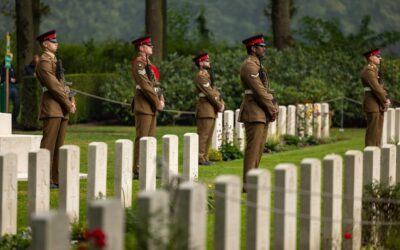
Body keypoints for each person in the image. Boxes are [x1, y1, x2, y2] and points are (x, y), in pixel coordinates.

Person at [35, 30, 76, 188]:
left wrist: (72, 101)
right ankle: (43, 178)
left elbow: (64, 84)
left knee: (58, 146)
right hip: (52, 108)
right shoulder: (44, 62)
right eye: (53, 41)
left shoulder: (55, 61)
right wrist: (68, 103)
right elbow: (55, 87)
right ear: (45, 45)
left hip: (61, 109)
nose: (56, 43)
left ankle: (55, 179)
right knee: (48, 146)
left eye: (56, 41)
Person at [239, 34, 278, 190]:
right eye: (261, 46)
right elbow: (259, 90)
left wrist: (272, 106)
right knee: (253, 150)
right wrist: (272, 108)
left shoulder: (258, 65)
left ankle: (252, 181)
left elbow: (265, 89)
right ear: (253, 49)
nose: (264, 49)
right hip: (254, 111)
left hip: (261, 111)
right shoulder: (249, 65)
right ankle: (248, 184)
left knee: (259, 149)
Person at [131, 35, 164, 179]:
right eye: (148, 45)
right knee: (142, 137)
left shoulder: (148, 64)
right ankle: (138, 169)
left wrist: (161, 98)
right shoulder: (139, 64)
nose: (152, 47)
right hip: (144, 105)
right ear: (141, 48)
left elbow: (156, 84)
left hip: (151, 106)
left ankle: (148, 167)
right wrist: (157, 102)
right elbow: (145, 85)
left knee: (151, 138)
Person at [192, 52, 225, 165]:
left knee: (209, 135)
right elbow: (210, 93)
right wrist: (219, 105)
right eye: (206, 61)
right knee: (203, 135)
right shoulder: (201, 76)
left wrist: (221, 102)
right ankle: (200, 157)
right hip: (205, 109)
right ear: (200, 63)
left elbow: (215, 92)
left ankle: (205, 157)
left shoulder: (207, 75)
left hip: (211, 109)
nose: (209, 62)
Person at [361, 48, 390, 147]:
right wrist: (385, 100)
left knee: (377, 131)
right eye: (377, 56)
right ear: (371, 57)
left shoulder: (374, 70)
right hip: (372, 104)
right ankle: (370, 154)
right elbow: (376, 88)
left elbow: (380, 87)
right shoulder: (368, 71)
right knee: (372, 133)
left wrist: (385, 99)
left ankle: (376, 152)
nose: (380, 58)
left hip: (377, 104)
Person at [0, 53, 19, 126]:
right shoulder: (2, 66)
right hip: (5, 86)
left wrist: (15, 80)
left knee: (17, 103)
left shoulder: (12, 67)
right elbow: (1, 78)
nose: (11, 59)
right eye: (10, 57)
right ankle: (4, 122)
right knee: (4, 104)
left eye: (12, 57)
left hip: (13, 87)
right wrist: (9, 79)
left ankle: (13, 120)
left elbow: (16, 77)